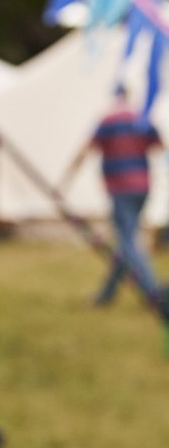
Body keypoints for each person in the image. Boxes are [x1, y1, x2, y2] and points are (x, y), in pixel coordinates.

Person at [63, 86, 162, 307]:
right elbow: (160, 146)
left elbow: (86, 149)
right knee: (124, 241)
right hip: (143, 187)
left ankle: (155, 292)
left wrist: (65, 181)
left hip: (120, 188)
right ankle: (106, 295)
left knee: (128, 242)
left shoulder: (107, 121)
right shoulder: (141, 118)